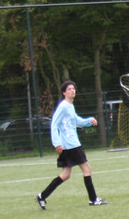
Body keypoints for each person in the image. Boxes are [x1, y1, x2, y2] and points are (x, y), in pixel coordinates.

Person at [36, 80, 107, 209]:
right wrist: (57, 143)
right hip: (71, 144)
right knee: (87, 169)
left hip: (69, 145)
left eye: (73, 88)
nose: (72, 91)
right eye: (69, 89)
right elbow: (54, 124)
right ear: (64, 93)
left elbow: (76, 121)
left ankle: (42, 196)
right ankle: (93, 199)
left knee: (65, 175)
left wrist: (88, 121)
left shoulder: (69, 106)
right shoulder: (63, 106)